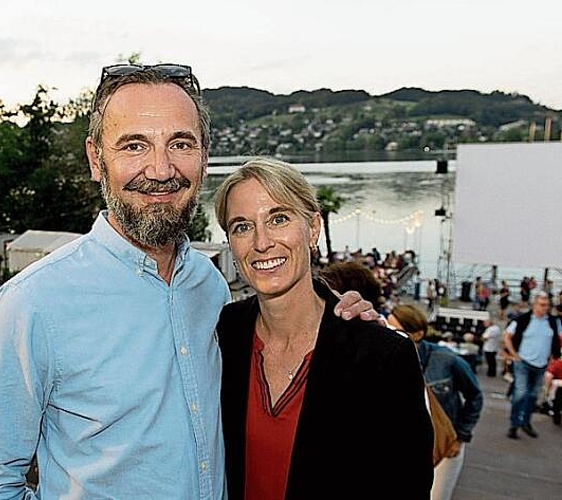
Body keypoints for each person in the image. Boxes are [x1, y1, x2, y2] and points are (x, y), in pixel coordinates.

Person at [0, 64, 375, 499]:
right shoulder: (33, 304)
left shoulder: (208, 285)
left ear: (204, 158)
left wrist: (343, 320)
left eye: (180, 144)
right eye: (134, 145)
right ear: (96, 159)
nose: (160, 169)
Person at [214, 158, 433, 500]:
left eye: (279, 219)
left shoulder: (382, 356)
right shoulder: (224, 333)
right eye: (242, 226)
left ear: (313, 228)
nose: (261, 242)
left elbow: (406, 488)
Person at [387, 305, 483, 500]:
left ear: (417, 334)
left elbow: (475, 395)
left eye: (395, 329)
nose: (388, 333)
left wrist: (461, 437)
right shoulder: (387, 358)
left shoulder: (446, 359)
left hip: (443, 444)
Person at [503, 291, 561, 439]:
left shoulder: (553, 322)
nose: (545, 308)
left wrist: (554, 357)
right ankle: (514, 424)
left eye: (547, 305)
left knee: (533, 395)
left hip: (541, 364)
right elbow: (507, 336)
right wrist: (513, 354)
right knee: (520, 393)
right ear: (535, 304)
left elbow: (557, 339)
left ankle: (526, 422)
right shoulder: (523, 320)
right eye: (542, 305)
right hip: (523, 362)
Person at [539, 357, 562, 425]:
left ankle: (555, 413)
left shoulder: (557, 364)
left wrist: (546, 390)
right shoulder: (557, 364)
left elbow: (548, 376)